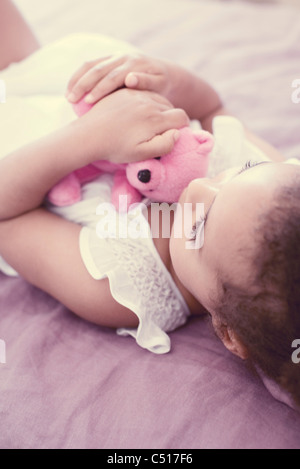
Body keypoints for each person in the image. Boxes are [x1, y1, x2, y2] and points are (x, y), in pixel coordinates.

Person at [0, 1, 299, 407]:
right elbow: (210, 107)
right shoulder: (276, 187)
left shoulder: (121, 286)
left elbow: (6, 217)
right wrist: (169, 80)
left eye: (201, 225)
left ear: (228, 333)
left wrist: (88, 138)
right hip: (48, 75)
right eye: (243, 168)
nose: (202, 186)